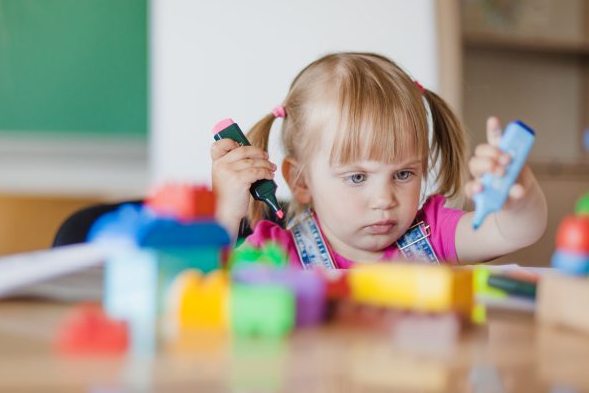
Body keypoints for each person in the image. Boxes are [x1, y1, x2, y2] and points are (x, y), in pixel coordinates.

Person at [211, 52, 547, 268]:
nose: (385, 199)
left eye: (403, 174)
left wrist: (518, 194)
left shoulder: (432, 232)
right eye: (357, 177)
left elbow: (514, 233)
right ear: (301, 181)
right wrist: (226, 213)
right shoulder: (278, 254)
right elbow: (207, 286)